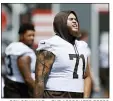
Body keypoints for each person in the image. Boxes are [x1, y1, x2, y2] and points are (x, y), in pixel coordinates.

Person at [34, 10, 92, 98]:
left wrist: (86, 97)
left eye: (76, 19)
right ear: (61, 23)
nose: (75, 21)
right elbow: (39, 80)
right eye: (71, 19)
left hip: (78, 95)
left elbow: (87, 76)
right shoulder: (51, 45)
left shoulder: (82, 46)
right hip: (56, 94)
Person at [4, 23, 36, 98]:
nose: (32, 38)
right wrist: (39, 92)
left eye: (33, 35)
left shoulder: (11, 46)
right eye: (29, 35)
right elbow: (27, 79)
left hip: (9, 85)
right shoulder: (23, 50)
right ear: (21, 35)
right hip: (20, 89)